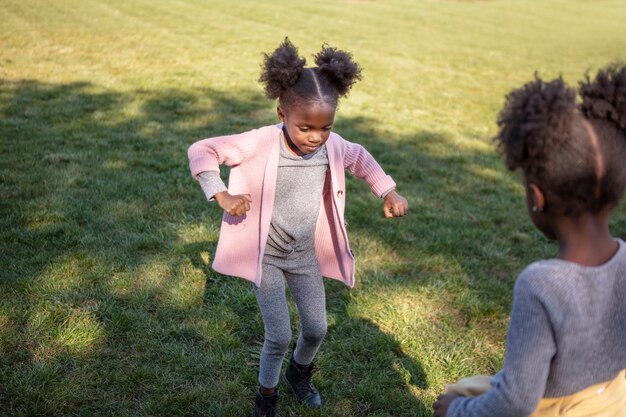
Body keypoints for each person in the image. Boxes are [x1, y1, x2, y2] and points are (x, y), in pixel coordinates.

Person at [187, 38, 408, 417]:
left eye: (325, 128)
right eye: (306, 127)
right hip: (267, 256)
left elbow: (361, 159)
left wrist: (387, 191)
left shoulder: (332, 146)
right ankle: (266, 397)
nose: (316, 137)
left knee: (316, 329)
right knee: (279, 335)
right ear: (282, 114)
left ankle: (299, 374)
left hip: (304, 254)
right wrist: (220, 194)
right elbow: (202, 150)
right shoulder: (259, 142)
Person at [434, 63, 626, 417]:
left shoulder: (541, 285)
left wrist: (455, 410)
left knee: (456, 394)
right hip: (615, 400)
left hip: (557, 409)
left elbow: (515, 403)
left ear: (537, 198)